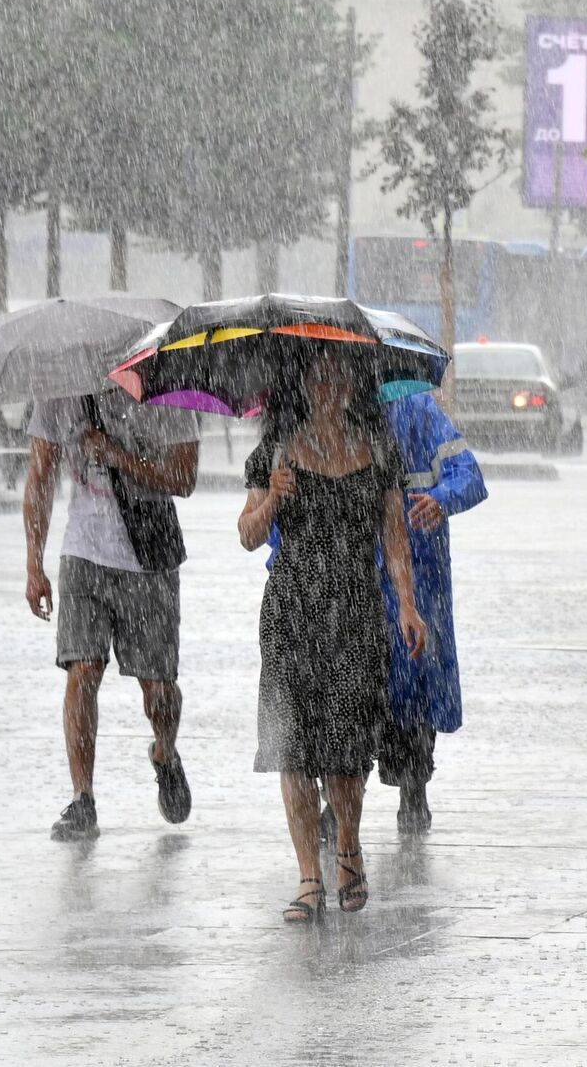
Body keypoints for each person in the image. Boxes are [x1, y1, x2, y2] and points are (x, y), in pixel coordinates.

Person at [239, 350, 426, 923]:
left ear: (353, 383)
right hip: (292, 612)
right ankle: (308, 876)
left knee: (346, 752)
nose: (327, 383)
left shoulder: (379, 450)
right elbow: (248, 536)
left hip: (355, 610)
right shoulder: (272, 453)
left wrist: (408, 606)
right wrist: (272, 496)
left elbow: (394, 537)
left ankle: (348, 848)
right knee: (292, 751)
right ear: (299, 380)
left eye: (338, 374)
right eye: (316, 373)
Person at [306, 392, 486, 838]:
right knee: (349, 692)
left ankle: (413, 789)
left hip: (418, 580)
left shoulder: (417, 411)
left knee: (414, 688)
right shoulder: (322, 415)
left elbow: (469, 474)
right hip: (349, 582)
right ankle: (342, 802)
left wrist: (441, 499)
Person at [24, 389, 199, 841]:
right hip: (83, 554)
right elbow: (40, 474)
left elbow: (184, 477)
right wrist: (33, 564)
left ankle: (165, 751)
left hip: (149, 552)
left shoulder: (164, 386)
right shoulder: (59, 390)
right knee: (83, 669)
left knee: (158, 688)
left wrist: (117, 456)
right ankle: (83, 799)